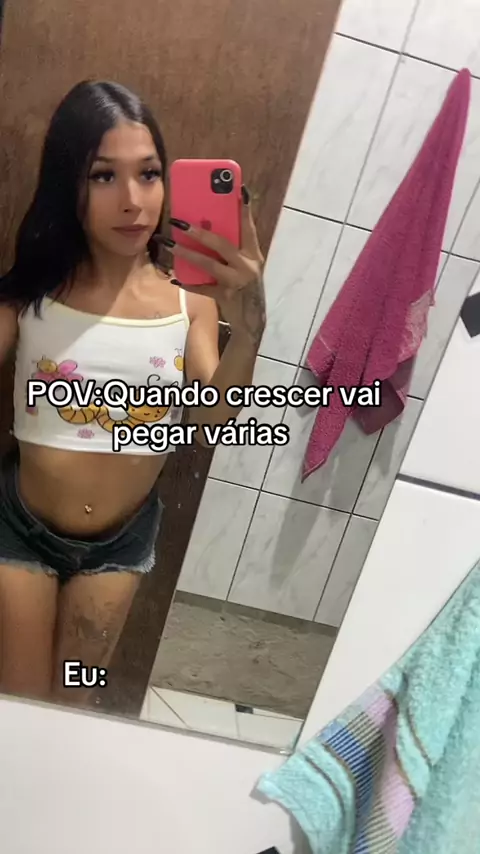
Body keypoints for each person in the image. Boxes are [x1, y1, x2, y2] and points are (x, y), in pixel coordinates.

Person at [0, 80, 265, 706]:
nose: (132, 201)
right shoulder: (33, 295)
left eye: (148, 174)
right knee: (21, 704)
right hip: (20, 530)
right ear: (69, 184)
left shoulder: (191, 306)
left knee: (76, 701)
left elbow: (213, 421)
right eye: (103, 176)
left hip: (120, 547)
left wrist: (251, 323)